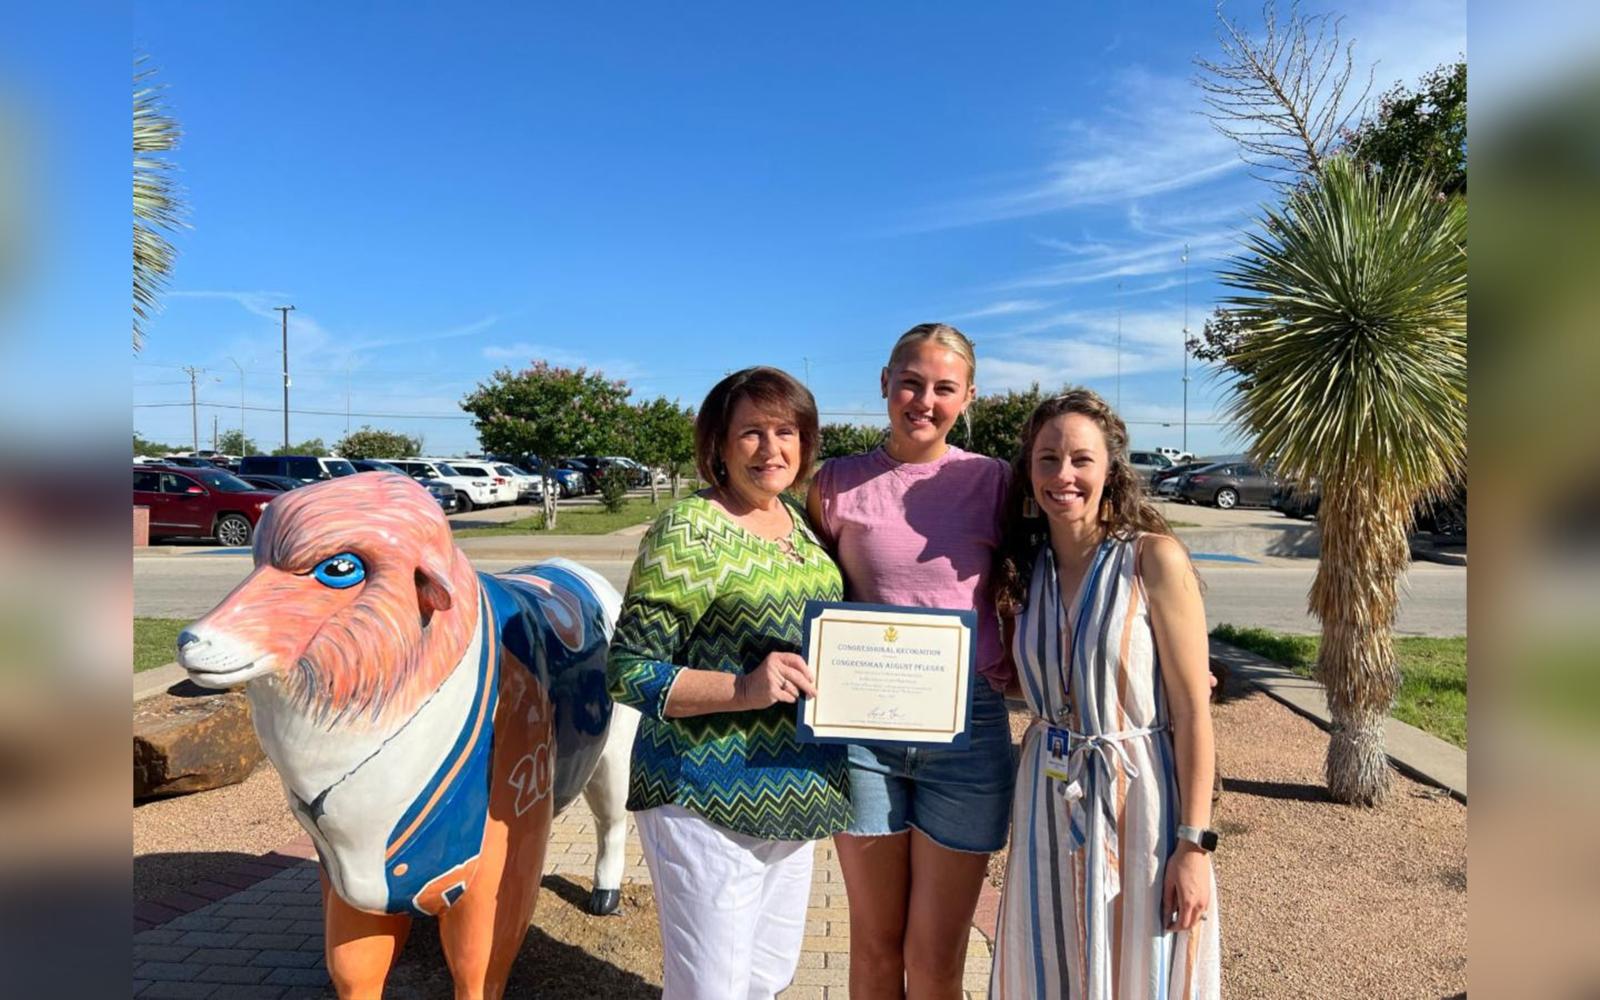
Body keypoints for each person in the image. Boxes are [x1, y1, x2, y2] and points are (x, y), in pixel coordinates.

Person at [607, 366, 850, 1000]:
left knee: (768, 977)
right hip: (703, 795)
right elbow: (629, 669)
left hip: (794, 790)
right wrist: (743, 688)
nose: (772, 450)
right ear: (718, 443)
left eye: (786, 431)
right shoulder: (690, 530)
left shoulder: (798, 523)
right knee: (709, 988)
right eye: (752, 433)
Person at [987, 389, 1221, 999]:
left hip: (1139, 795)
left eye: (1081, 459)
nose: (1063, 475)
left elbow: (1195, 711)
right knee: (1050, 961)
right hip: (1046, 792)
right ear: (1029, 470)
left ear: (1110, 469)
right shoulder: (1024, 572)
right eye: (1047, 459)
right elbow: (1023, 679)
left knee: (1138, 965)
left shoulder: (1153, 560)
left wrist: (1194, 846)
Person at [807, 323, 1015, 999]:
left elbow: (1058, 568)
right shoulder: (835, 484)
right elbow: (803, 592)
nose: (925, 400)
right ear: (885, 385)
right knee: (872, 946)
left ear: (969, 397)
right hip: (862, 733)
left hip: (968, 733)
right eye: (911, 382)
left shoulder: (995, 483)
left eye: (944, 388)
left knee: (934, 960)